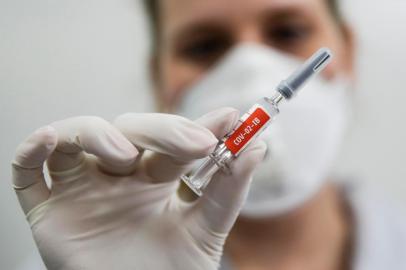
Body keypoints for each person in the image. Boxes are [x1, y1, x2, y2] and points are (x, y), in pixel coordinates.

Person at [12, 0, 406, 269]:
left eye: (288, 31)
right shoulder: (82, 254)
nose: (252, 68)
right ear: (159, 77)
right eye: (204, 46)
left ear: (347, 52)